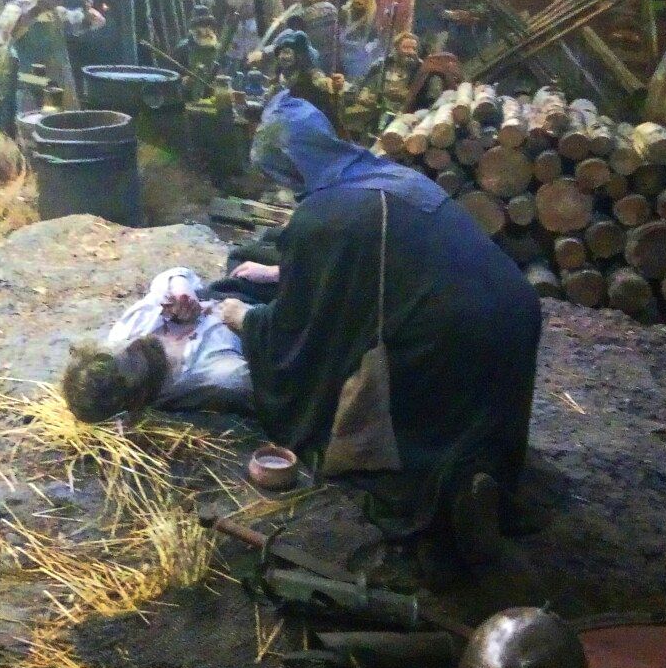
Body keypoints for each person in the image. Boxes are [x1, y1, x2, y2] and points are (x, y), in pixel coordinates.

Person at [213, 94, 541, 589]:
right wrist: (282, 271)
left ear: (291, 166)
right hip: (514, 310)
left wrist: (246, 318)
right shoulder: (389, 176)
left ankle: (443, 506)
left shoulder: (323, 214)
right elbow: (386, 260)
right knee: (477, 420)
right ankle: (484, 477)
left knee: (403, 428)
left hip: (455, 332)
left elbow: (305, 329)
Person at [61, 268, 254, 421]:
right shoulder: (216, 375)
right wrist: (247, 320)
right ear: (138, 394)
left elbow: (169, 277)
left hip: (232, 286)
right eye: (132, 358)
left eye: (123, 344)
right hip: (261, 305)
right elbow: (267, 364)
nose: (136, 341)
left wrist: (180, 289)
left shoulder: (126, 332)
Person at [259, 0, 341, 73]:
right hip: (326, 65)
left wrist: (264, 54)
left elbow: (290, 41)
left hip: (313, 68)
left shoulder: (309, 14)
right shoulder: (331, 9)